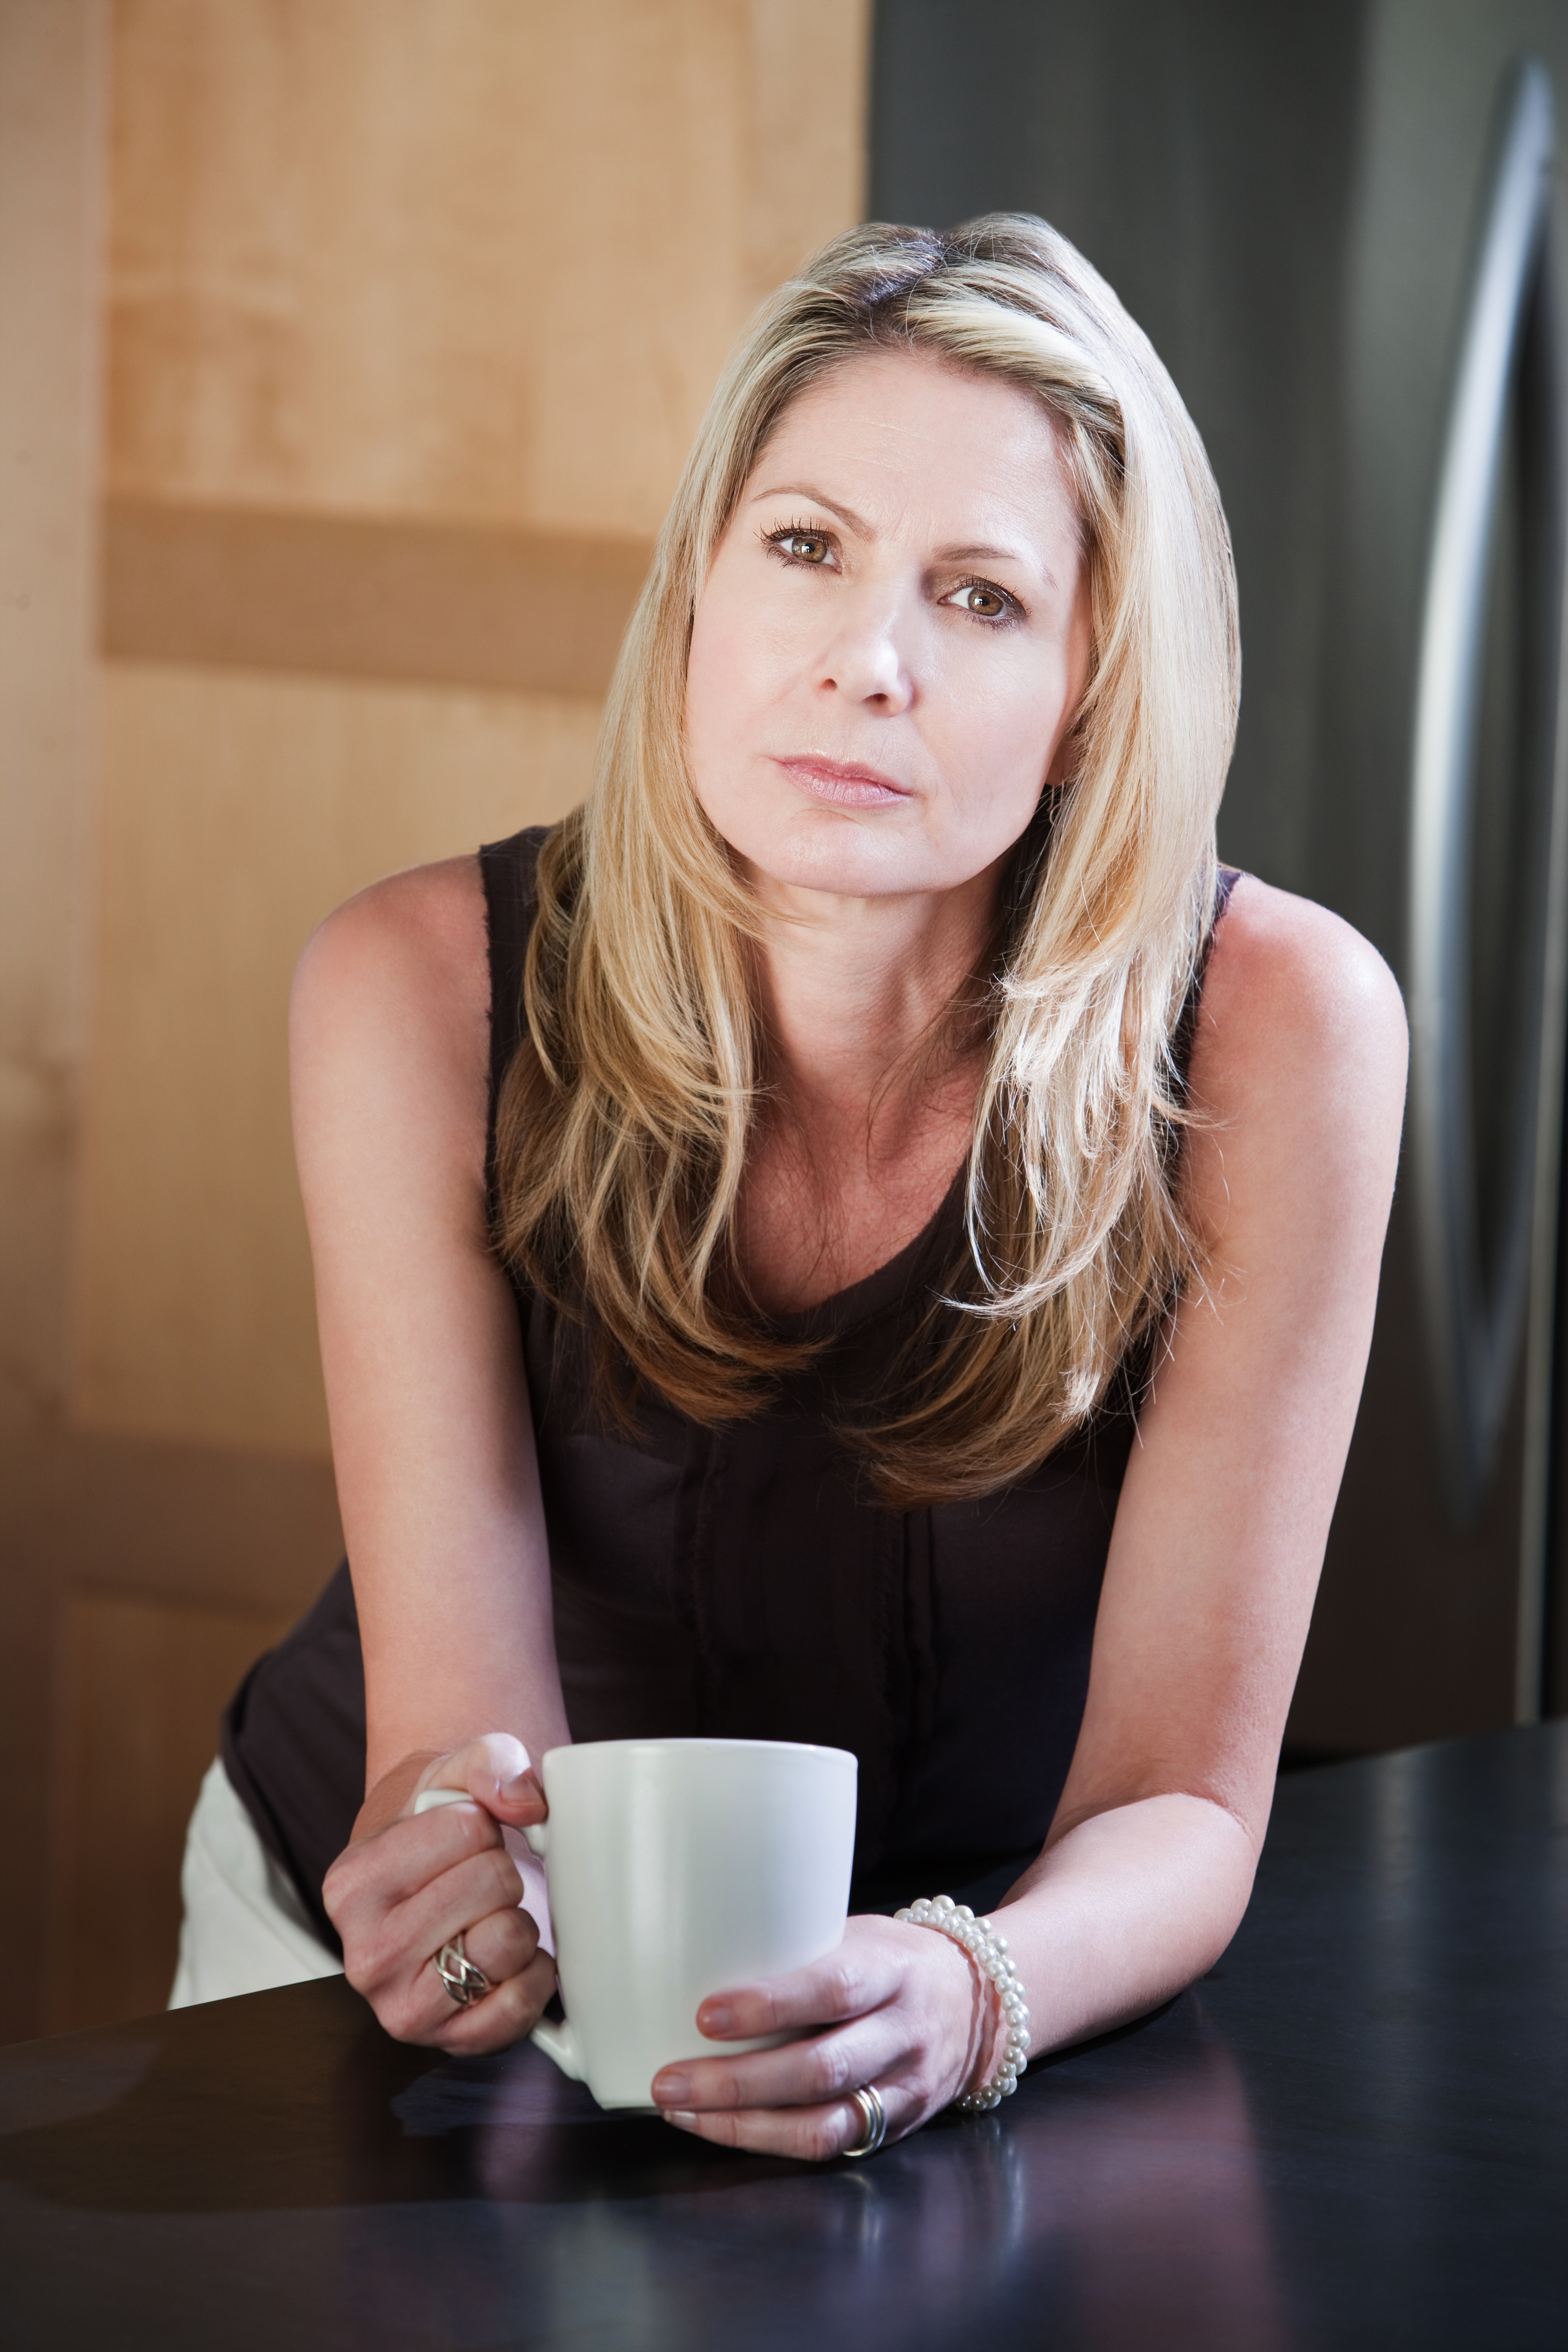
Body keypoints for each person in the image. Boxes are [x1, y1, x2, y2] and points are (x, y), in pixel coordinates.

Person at [171, 215, 1406, 2160]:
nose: (871, 665)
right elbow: (460, 1727)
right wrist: (451, 1872)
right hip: (389, 1999)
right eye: (807, 547)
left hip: (965, 1990)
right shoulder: (418, 987)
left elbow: (1184, 1802)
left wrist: (971, 1989)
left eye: (984, 598)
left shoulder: (1278, 1031)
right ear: (697, 599)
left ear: (1094, 684)